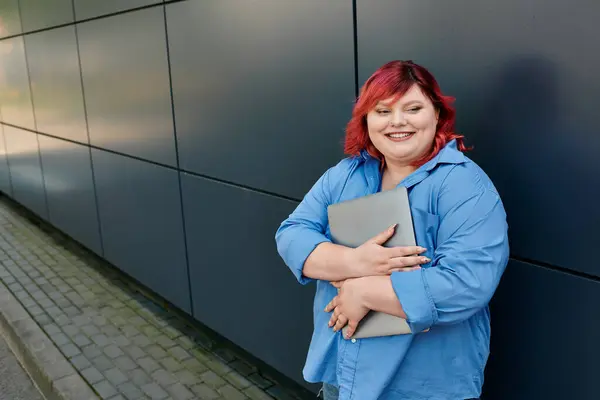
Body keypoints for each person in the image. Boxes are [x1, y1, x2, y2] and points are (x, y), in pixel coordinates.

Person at [275, 60, 509, 400]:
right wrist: (356, 262)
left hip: (422, 384)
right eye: (383, 110)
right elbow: (293, 233)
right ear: (366, 119)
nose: (397, 121)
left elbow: (469, 282)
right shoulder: (346, 174)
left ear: (437, 115)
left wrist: (365, 292)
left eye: (412, 108)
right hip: (344, 371)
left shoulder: (464, 185)